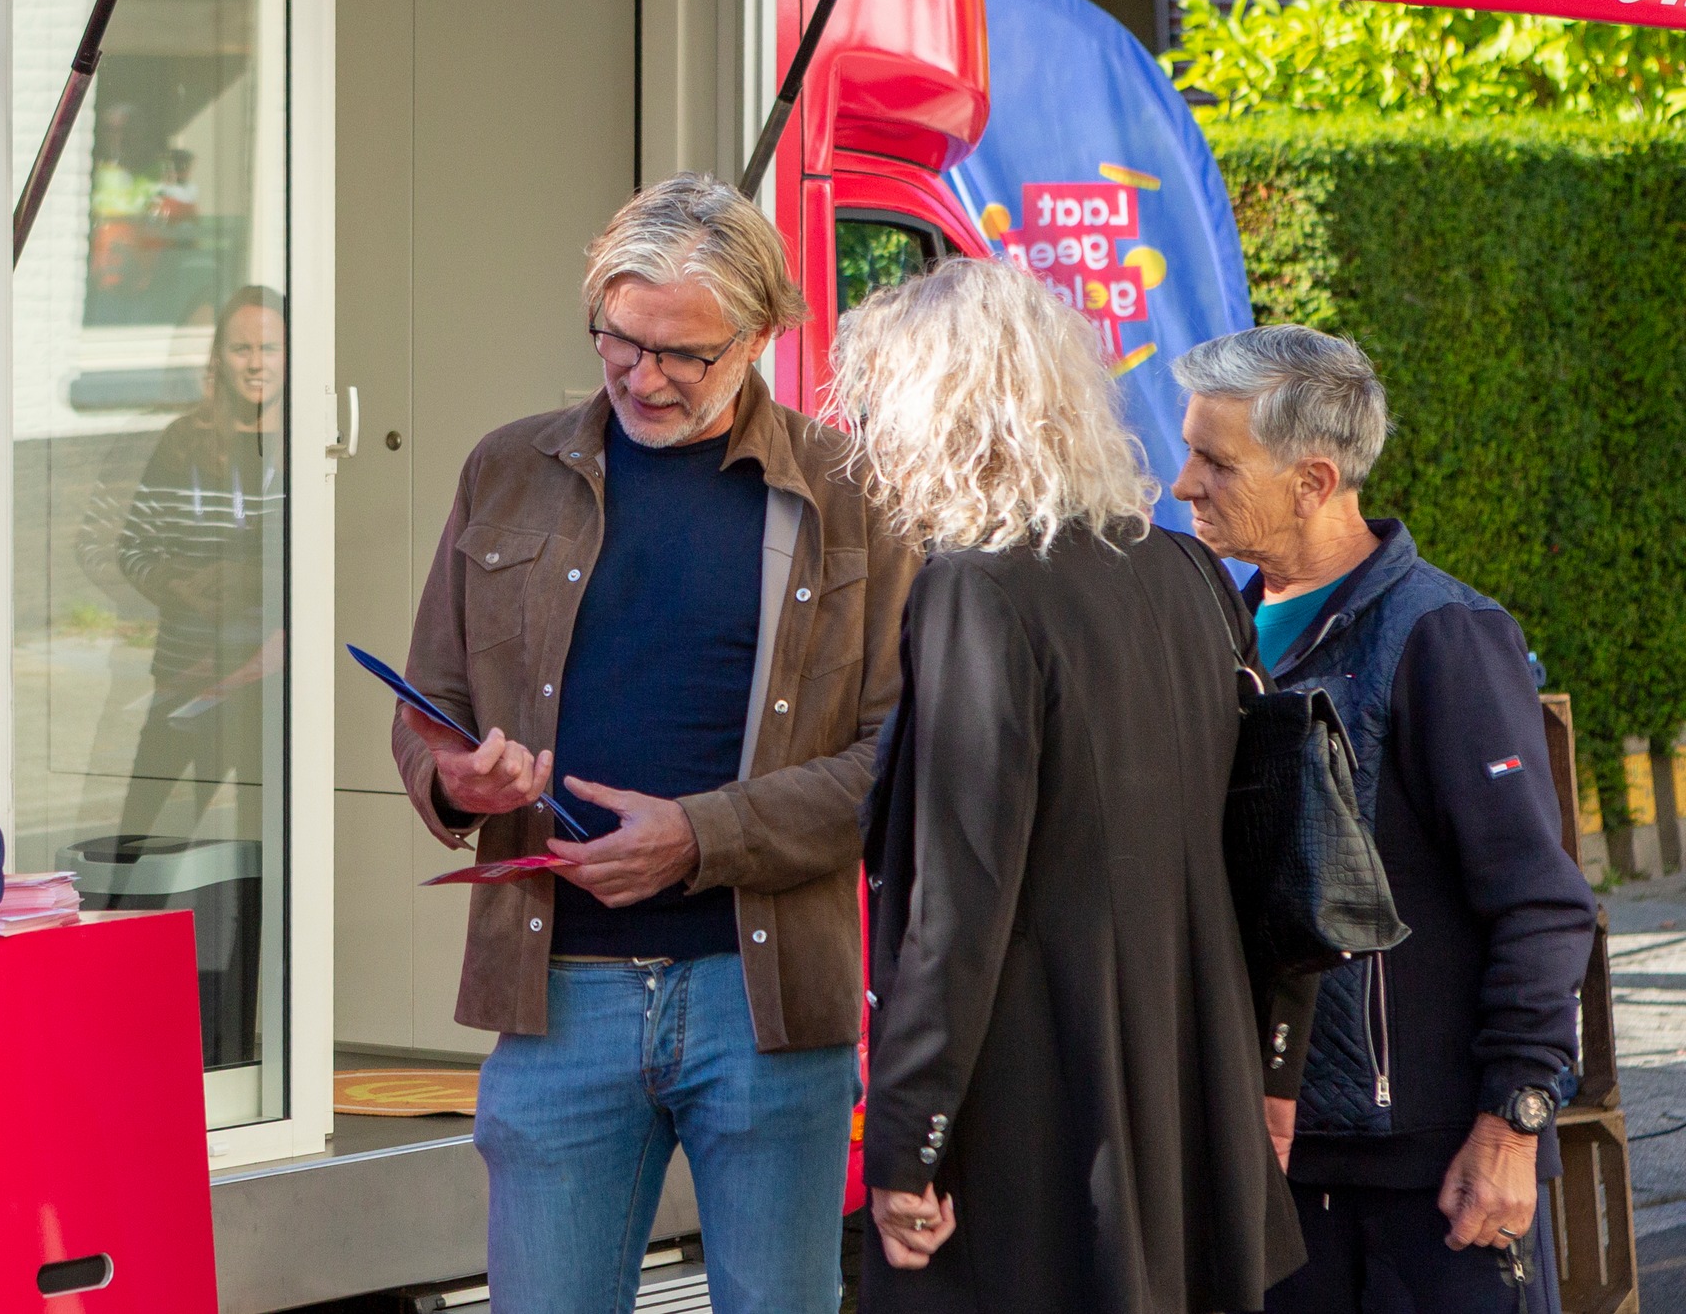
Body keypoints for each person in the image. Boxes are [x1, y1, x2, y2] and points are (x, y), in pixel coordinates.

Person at [391, 173, 921, 1314]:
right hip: (556, 995)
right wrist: (458, 778)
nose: (642, 376)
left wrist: (698, 836)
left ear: (762, 336)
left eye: (684, 353)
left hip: (763, 1000)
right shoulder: (504, 469)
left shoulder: (852, 496)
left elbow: (897, 759)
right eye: (620, 340)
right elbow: (429, 699)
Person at [841, 257, 1303, 1313]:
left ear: (933, 415)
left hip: (1038, 1127)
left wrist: (907, 1143)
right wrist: (1272, 1071)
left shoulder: (975, 590)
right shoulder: (1187, 574)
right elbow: (1279, 843)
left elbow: (956, 902)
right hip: (1188, 1102)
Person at [1170, 325, 1599, 1314]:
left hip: (1437, 1183)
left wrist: (1512, 1120)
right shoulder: (1204, 638)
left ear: (1314, 482)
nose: (1184, 482)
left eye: (1215, 461)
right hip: (1274, 1177)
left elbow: (1539, 903)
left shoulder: (1441, 636)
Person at [115, 286, 286, 852]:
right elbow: (134, 547)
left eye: (269, 348)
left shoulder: (310, 448)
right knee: (139, 856)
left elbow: (336, 571)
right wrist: (178, 587)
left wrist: (254, 582)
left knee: (261, 867)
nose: (256, 363)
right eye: (241, 348)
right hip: (185, 680)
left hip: (271, 692)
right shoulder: (184, 442)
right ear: (218, 359)